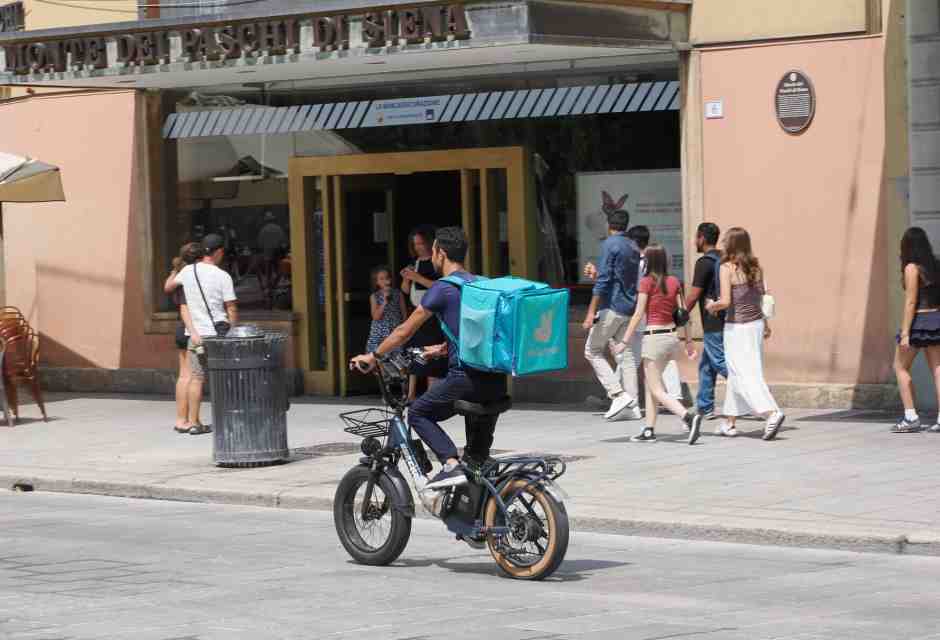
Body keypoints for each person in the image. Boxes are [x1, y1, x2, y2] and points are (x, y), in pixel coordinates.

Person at [351, 227, 506, 490]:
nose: (432, 255)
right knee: (477, 464)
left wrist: (374, 356)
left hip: (466, 379)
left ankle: (449, 464)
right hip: (496, 381)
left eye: (433, 250)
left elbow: (403, 331)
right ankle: (480, 519)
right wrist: (443, 348)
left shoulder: (443, 289)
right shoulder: (480, 283)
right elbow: (476, 330)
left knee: (418, 411)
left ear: (441, 254)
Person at [615, 244, 701, 444]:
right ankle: (648, 430)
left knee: (656, 389)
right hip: (672, 338)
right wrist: (688, 341)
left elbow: (637, 314)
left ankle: (688, 416)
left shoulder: (646, 282)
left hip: (654, 338)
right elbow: (683, 315)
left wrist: (624, 341)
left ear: (649, 262)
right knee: (650, 383)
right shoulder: (674, 282)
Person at [706, 227, 785, 440]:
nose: (722, 243)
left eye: (725, 240)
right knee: (740, 372)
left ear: (731, 244)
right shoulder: (756, 267)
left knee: (744, 373)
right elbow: (763, 297)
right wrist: (766, 324)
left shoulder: (727, 267)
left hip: (737, 327)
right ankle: (729, 423)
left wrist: (711, 307)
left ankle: (771, 412)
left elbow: (725, 302)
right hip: (756, 324)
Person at [164, 233, 238, 435]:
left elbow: (170, 289)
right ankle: (228, 417)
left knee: (195, 378)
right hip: (218, 332)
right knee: (224, 377)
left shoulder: (187, 272)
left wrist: (176, 267)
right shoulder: (223, 276)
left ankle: (193, 421)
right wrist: (233, 329)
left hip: (195, 334)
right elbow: (230, 307)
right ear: (220, 252)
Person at [582, 210, 642, 422]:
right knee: (626, 357)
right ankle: (633, 405)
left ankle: (618, 394)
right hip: (628, 308)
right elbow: (618, 278)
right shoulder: (633, 246)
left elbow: (604, 281)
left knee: (592, 350)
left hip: (611, 307)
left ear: (609, 224)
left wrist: (590, 312)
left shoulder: (610, 244)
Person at [890, 227, 940, 433]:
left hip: (920, 320)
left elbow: (911, 302)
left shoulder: (912, 268)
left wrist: (905, 332)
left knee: (899, 367)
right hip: (936, 318)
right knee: (938, 369)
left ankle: (911, 417)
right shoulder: (935, 265)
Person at [626, 225, 683, 404]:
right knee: (665, 357)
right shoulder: (668, 275)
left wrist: (624, 339)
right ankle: (674, 395)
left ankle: (627, 398)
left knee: (631, 356)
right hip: (664, 324)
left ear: (634, 242)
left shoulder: (637, 264)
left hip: (643, 315)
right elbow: (683, 312)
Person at [685, 222, 730, 430]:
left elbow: (694, 294)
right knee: (707, 364)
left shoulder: (704, 262)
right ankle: (704, 407)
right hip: (726, 318)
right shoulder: (724, 258)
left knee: (721, 362)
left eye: (696, 237)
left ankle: (752, 395)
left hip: (713, 320)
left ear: (702, 238)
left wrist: (680, 314)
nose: (695, 241)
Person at [400, 226, 445, 399]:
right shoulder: (415, 263)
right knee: (414, 351)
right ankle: (410, 394)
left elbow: (439, 286)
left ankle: (430, 393)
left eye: (421, 243)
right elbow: (405, 290)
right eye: (415, 244)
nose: (419, 247)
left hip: (432, 313)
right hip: (416, 309)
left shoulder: (437, 263)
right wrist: (406, 278)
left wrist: (417, 278)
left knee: (431, 353)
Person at [164, 242, 202, 434]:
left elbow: (167, 288)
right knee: (194, 376)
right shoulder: (195, 274)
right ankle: (192, 420)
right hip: (192, 327)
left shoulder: (178, 274)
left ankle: (181, 419)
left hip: (180, 325)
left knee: (183, 375)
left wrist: (174, 269)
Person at [366, 265, 407, 353]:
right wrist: (384, 302)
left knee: (396, 359)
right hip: (380, 332)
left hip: (395, 330)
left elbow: (404, 313)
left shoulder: (398, 294)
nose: (385, 281)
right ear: (376, 282)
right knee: (378, 359)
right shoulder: (374, 296)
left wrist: (404, 329)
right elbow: (375, 317)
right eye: (381, 279)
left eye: (387, 278)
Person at [257, 211, 287, 295]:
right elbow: (284, 241)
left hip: (267, 255)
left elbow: (260, 243)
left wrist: (264, 249)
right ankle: (275, 285)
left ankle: (269, 288)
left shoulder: (263, 230)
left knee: (268, 272)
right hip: (277, 253)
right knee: (278, 271)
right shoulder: (278, 228)